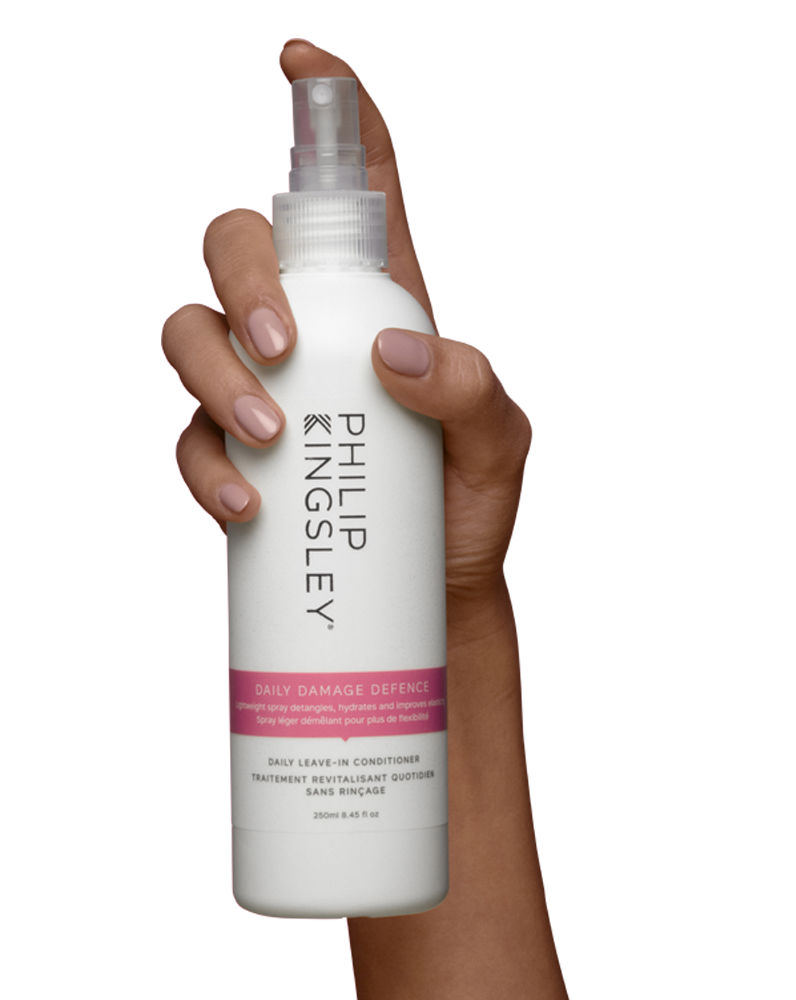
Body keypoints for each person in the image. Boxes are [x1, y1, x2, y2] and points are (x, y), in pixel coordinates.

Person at [162, 40, 565, 999]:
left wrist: (446, 611)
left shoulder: (385, 317)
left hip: (415, 743)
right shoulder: (333, 321)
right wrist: (450, 610)